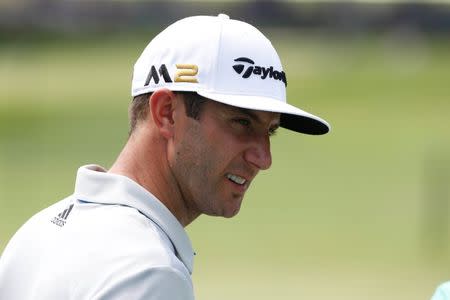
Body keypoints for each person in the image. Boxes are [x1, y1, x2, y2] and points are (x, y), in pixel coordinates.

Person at [0, 14, 330, 299]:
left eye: (270, 131)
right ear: (168, 113)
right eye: (242, 123)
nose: (264, 158)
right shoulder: (150, 273)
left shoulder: (39, 232)